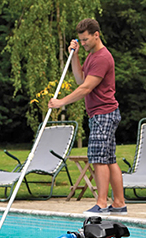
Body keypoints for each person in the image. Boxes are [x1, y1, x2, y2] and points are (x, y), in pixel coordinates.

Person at [49, 18, 126, 216]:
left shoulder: (102, 57)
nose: (83, 43)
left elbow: (86, 88)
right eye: (80, 40)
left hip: (103, 113)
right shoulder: (92, 56)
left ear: (96, 35)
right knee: (109, 159)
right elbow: (79, 79)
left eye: (85, 40)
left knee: (99, 159)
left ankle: (101, 204)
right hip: (101, 113)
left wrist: (61, 102)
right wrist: (73, 56)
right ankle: (119, 203)